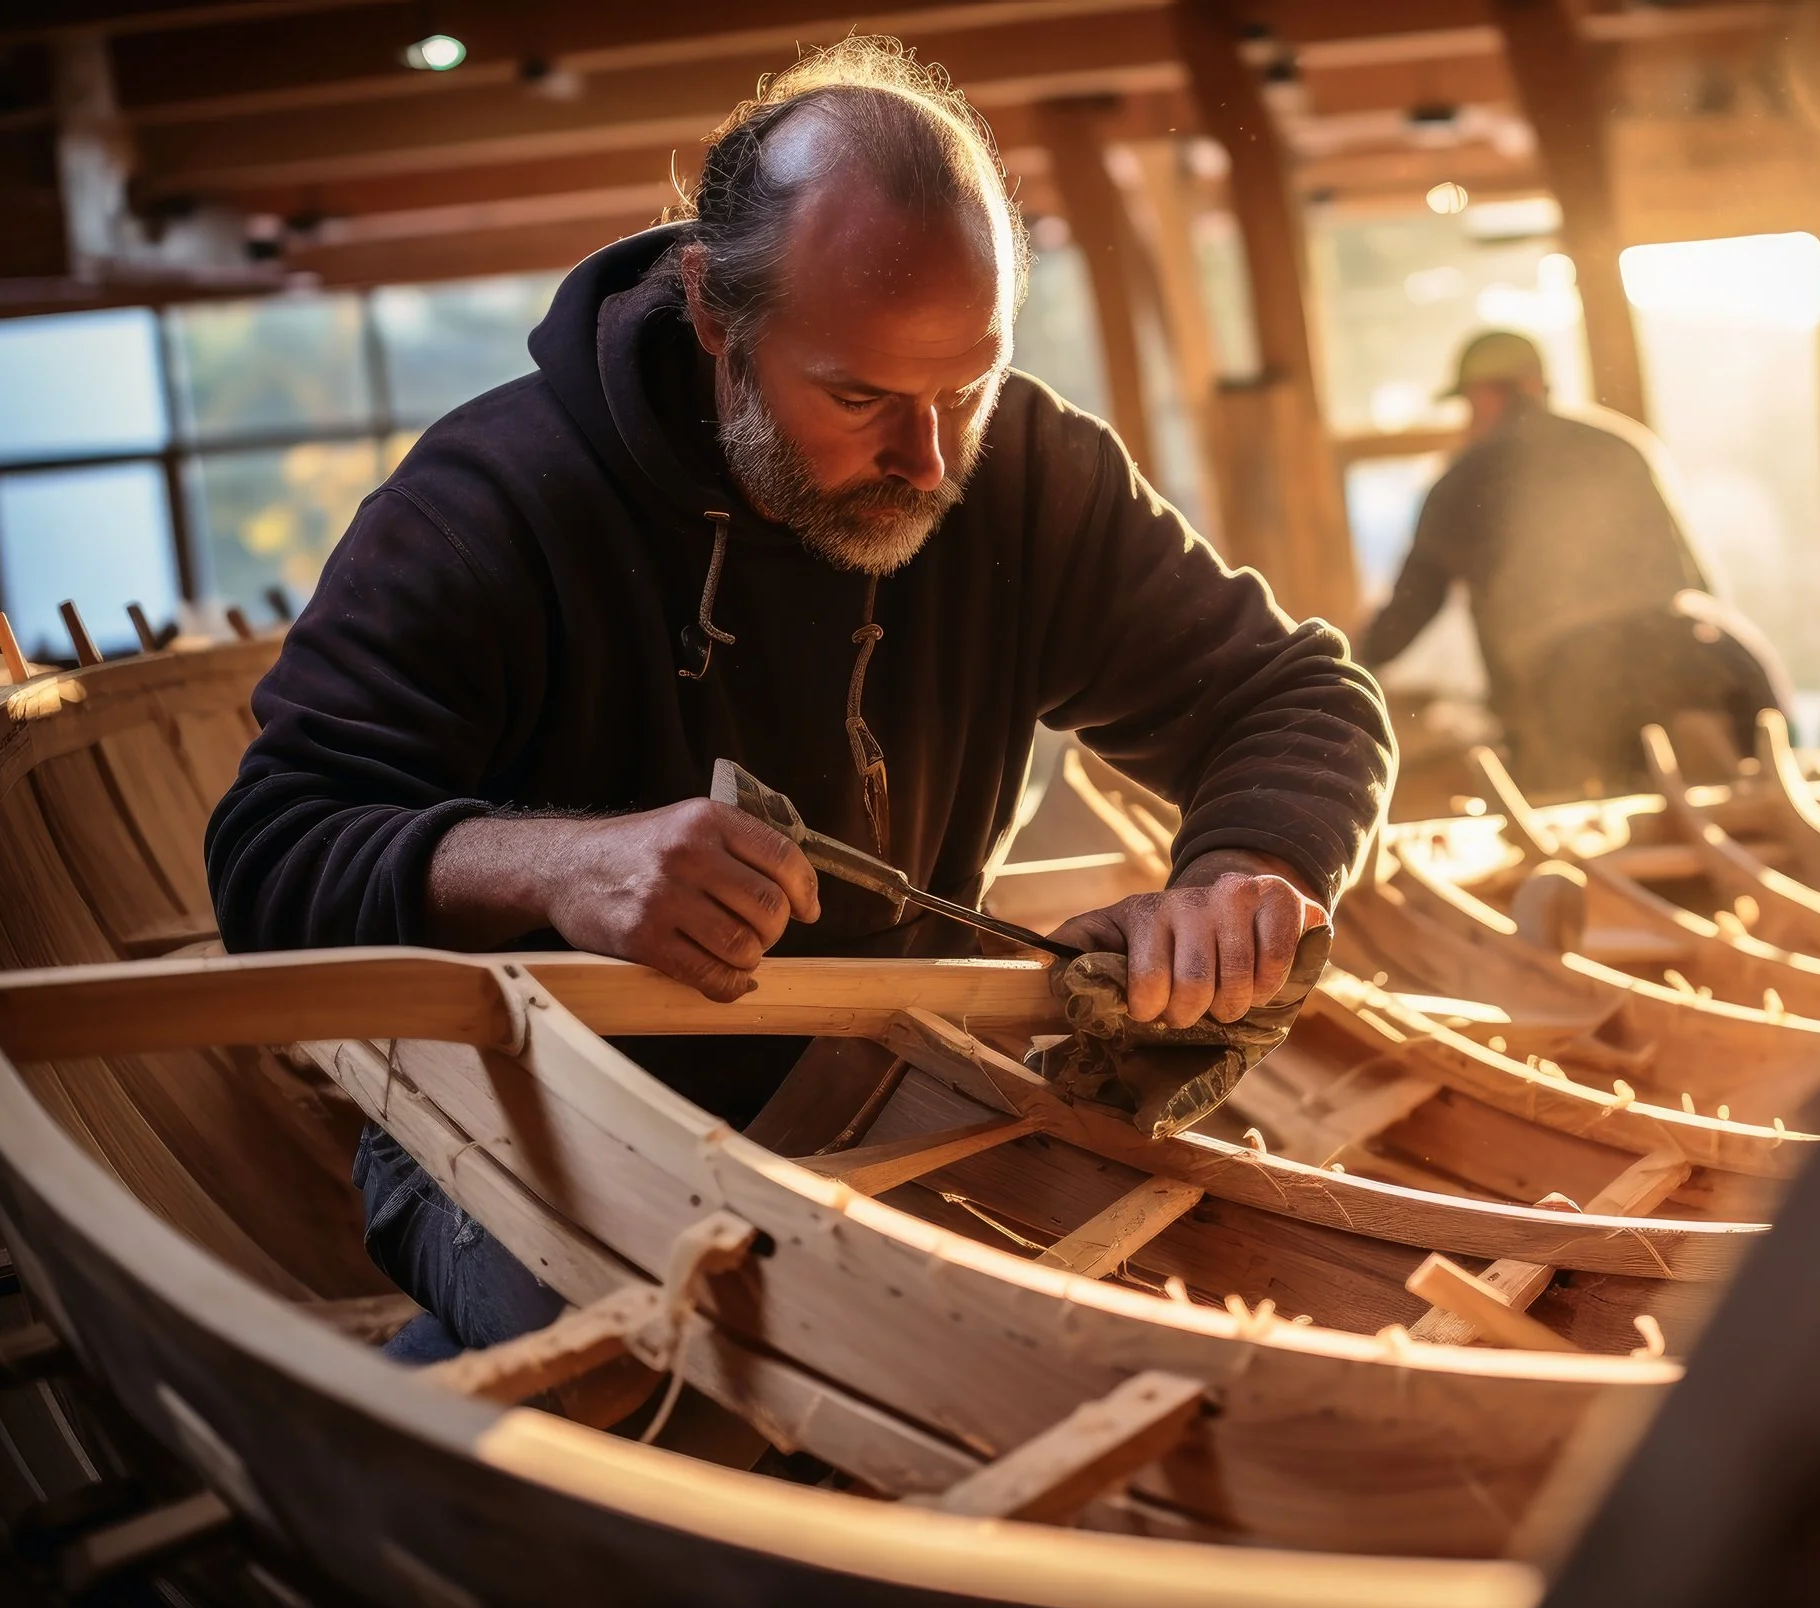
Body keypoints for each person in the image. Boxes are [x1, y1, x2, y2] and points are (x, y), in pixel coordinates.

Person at [205, 41, 1392, 1364]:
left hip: (896, 1090)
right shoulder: (490, 504)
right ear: (715, 312)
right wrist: (557, 861)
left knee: (1156, 1329)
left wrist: (1243, 869)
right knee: (695, 1372)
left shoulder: (1025, 472)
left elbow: (1296, 691)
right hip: (520, 1116)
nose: (930, 459)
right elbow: (270, 857)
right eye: (861, 396)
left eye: (969, 383)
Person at [1355, 331, 1747, 797]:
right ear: (1537, 384)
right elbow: (1695, 582)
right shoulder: (1622, 445)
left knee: (1572, 831)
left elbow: (1412, 608)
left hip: (1563, 692)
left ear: (1482, 396)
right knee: (1704, 807)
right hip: (1681, 664)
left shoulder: (1465, 477)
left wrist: (1349, 664)